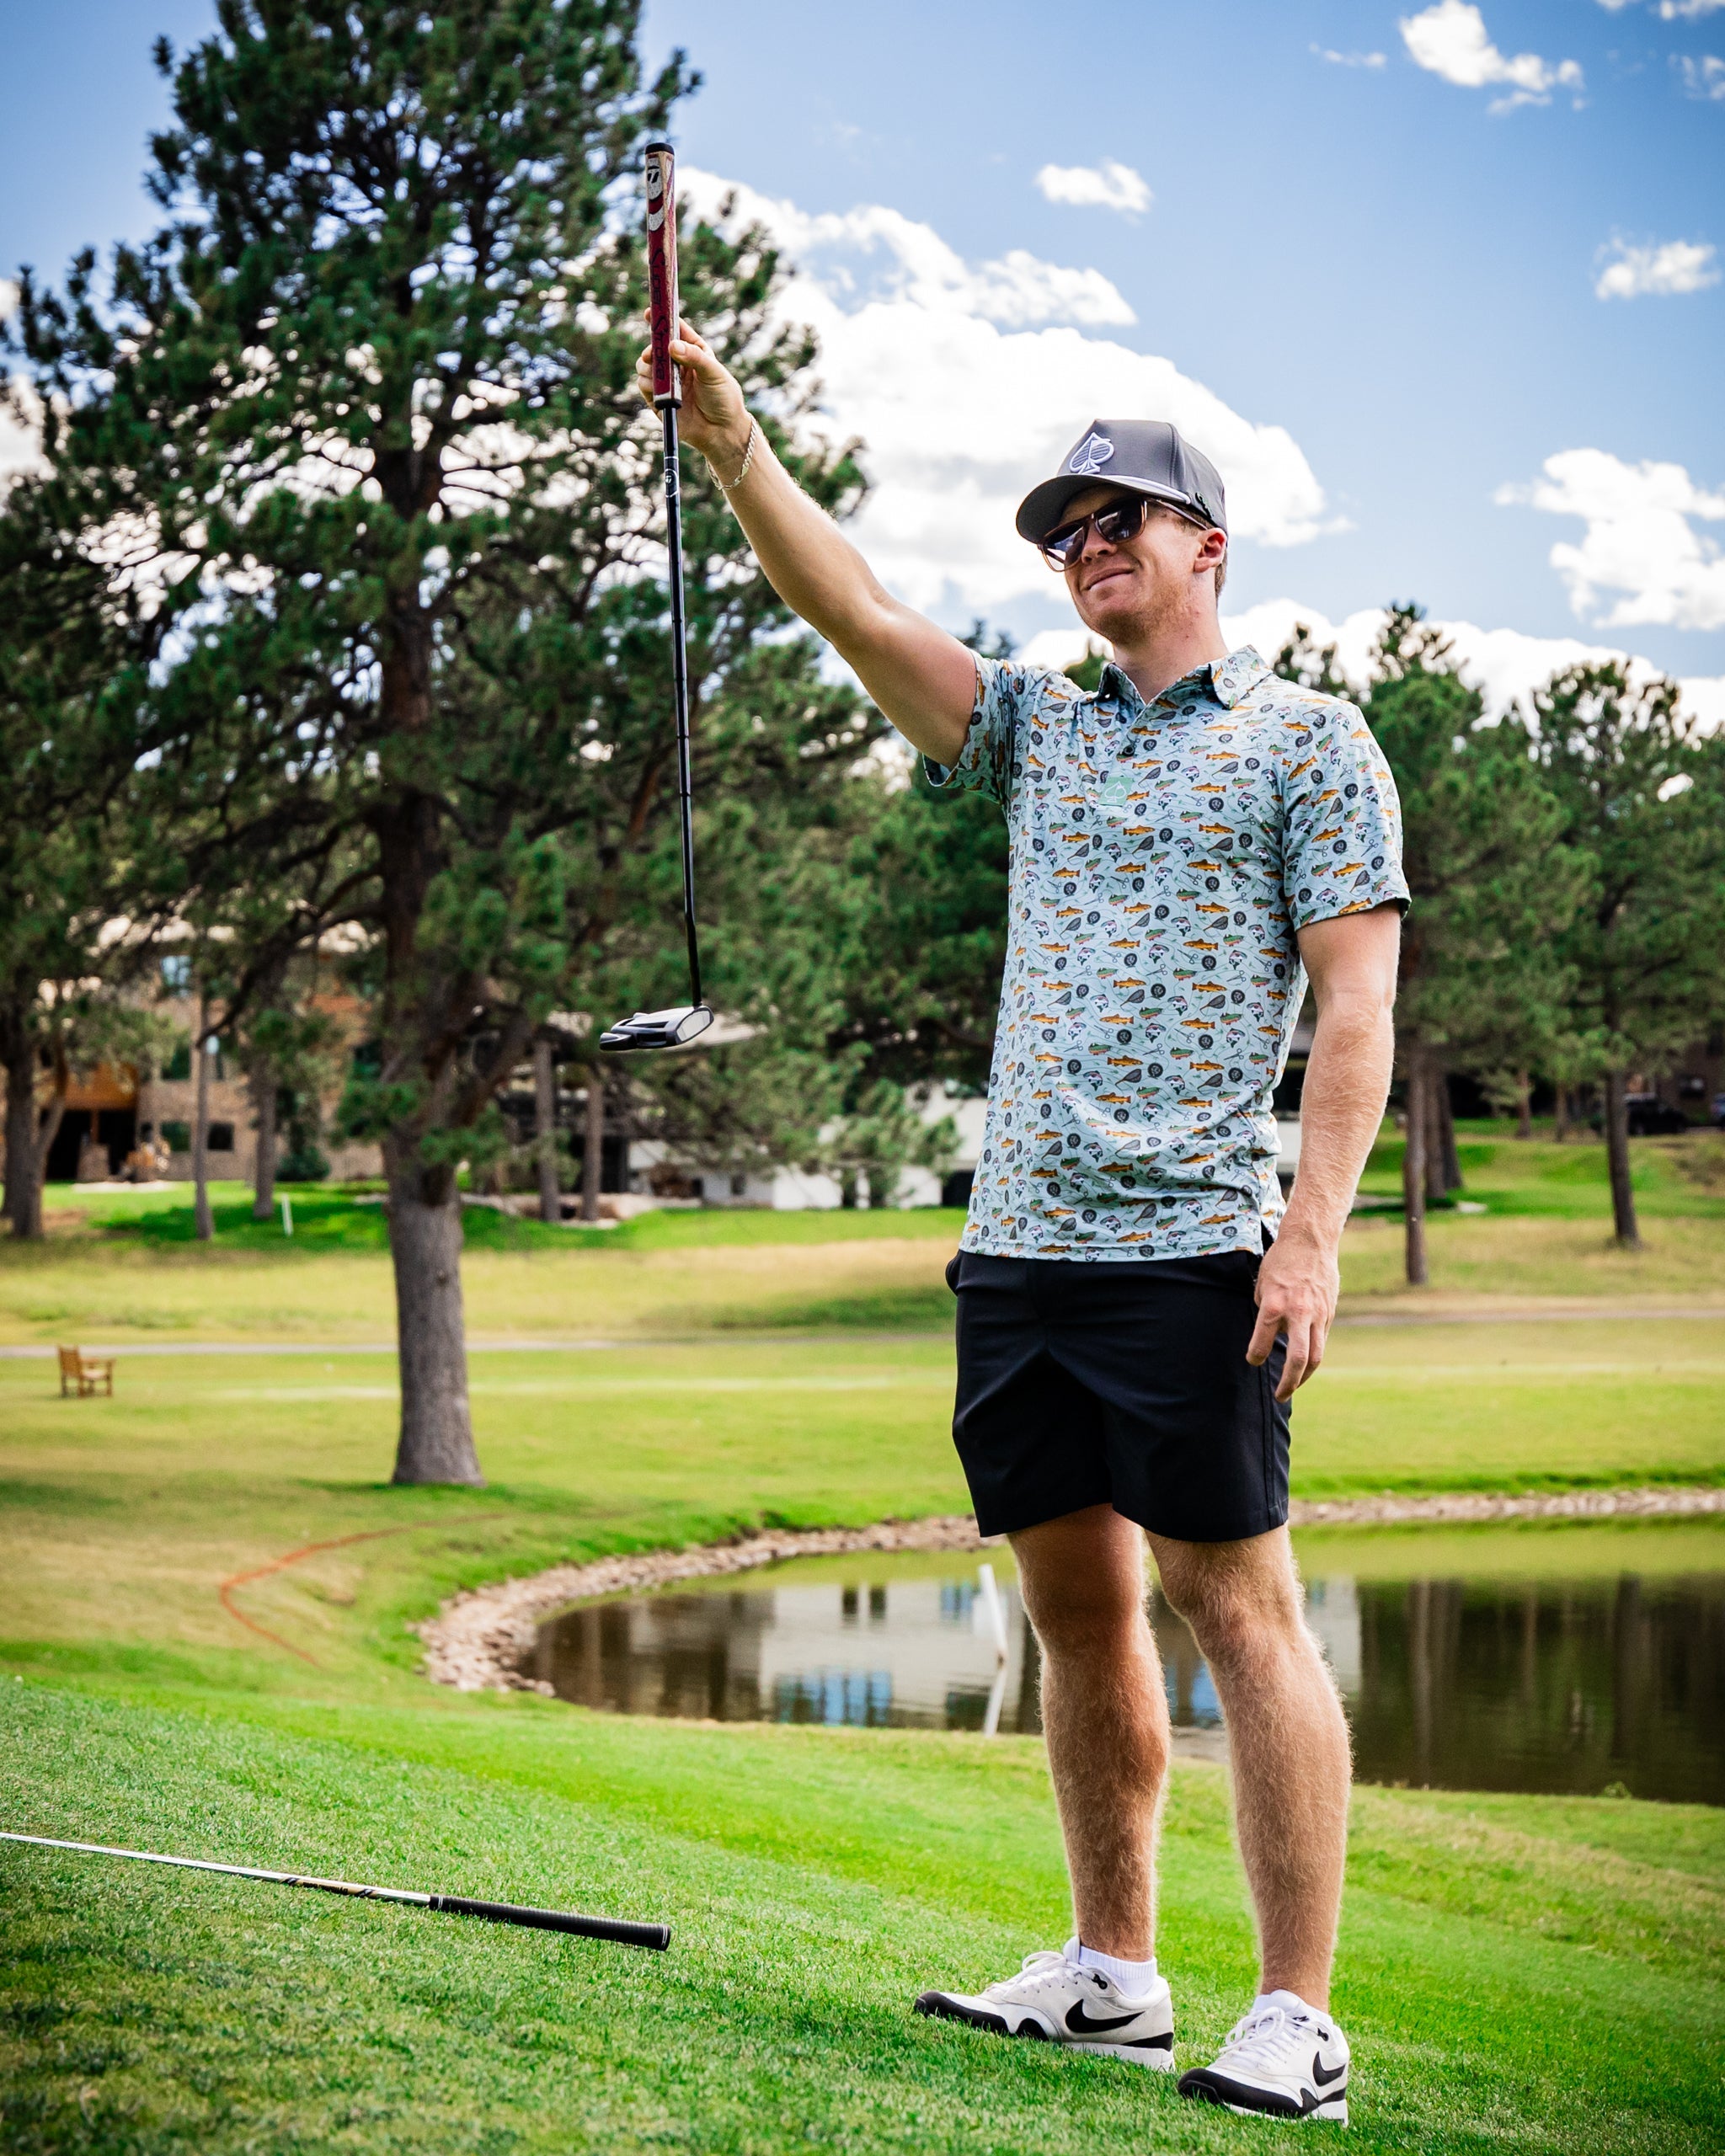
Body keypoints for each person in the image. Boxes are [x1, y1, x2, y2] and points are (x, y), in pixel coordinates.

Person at [640, 323, 1407, 2127]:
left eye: (1116, 514)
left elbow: (1357, 1010)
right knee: (1075, 1609)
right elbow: (858, 615)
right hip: (1025, 1246)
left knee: (1243, 1607)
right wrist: (734, 448)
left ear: (1206, 540)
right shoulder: (1034, 731)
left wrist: (1308, 1234)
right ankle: (1112, 1971)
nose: (1085, 545)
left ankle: (1296, 2009)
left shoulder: (1309, 741)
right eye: (1062, 527)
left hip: (1201, 1240)